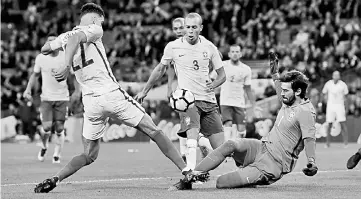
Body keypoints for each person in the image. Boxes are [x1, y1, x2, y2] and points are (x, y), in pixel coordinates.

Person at [34, 3, 187, 193]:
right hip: (110, 94)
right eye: (102, 20)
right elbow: (76, 38)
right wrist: (66, 66)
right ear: (95, 19)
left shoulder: (65, 36)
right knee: (154, 131)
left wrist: (57, 43)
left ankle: (55, 179)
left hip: (90, 102)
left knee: (89, 154)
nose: (103, 24)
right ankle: (187, 170)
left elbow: (44, 48)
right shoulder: (94, 29)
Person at [171, 52, 318, 190]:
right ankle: (190, 177)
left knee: (221, 183)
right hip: (262, 147)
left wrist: (311, 162)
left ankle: (253, 176)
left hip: (274, 164)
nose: (282, 93)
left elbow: (309, 139)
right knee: (230, 144)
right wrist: (274, 73)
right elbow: (280, 87)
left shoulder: (305, 112)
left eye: (286, 91)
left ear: (298, 92)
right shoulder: (289, 100)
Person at [135, 13, 226, 174]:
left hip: (209, 101)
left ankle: (205, 164)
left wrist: (214, 84)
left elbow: (222, 75)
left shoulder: (209, 46)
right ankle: (190, 172)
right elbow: (160, 70)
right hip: (188, 100)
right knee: (190, 137)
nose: (190, 31)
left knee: (222, 151)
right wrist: (145, 90)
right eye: (187, 27)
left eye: (194, 27)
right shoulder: (173, 47)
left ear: (201, 28)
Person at [167, 17, 213, 162]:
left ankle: (202, 144)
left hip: (199, 93)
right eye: (175, 29)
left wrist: (207, 75)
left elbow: (217, 57)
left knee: (190, 124)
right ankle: (188, 152)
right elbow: (170, 67)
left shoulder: (202, 42)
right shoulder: (175, 47)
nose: (179, 31)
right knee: (186, 122)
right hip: (183, 92)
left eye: (181, 27)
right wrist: (170, 86)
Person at [23, 35, 70, 164]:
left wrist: (76, 91)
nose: (49, 44)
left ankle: (56, 154)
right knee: (47, 127)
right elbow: (35, 75)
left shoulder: (65, 56)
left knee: (60, 128)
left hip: (62, 97)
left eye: (52, 41)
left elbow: (72, 76)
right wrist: (28, 89)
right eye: (48, 41)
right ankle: (44, 147)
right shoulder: (41, 58)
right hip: (46, 98)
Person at [218, 44, 256, 140]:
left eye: (237, 52)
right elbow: (212, 78)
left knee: (241, 130)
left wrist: (254, 105)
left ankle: (239, 150)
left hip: (239, 102)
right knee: (228, 125)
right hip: (225, 101)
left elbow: (248, 89)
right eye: (233, 52)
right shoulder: (222, 65)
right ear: (229, 54)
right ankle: (227, 151)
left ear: (241, 54)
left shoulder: (246, 69)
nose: (235, 54)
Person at [321, 71, 349, 148]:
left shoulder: (343, 85)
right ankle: (327, 143)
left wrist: (346, 107)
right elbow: (324, 93)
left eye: (337, 75)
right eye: (335, 75)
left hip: (340, 106)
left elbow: (346, 97)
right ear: (332, 76)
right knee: (329, 124)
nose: (336, 76)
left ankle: (346, 143)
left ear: (339, 76)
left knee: (343, 124)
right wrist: (325, 100)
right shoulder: (328, 84)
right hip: (330, 106)